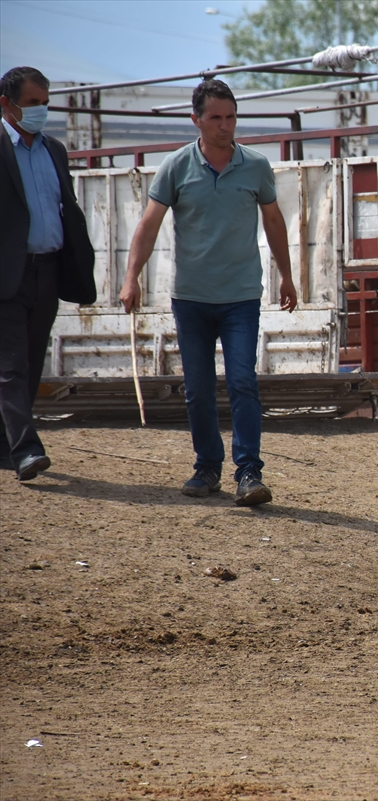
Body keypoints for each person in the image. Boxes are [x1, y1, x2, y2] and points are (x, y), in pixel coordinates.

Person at [121, 79, 297, 507]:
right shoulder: (176, 167)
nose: (225, 125)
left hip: (240, 297)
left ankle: (249, 472)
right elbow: (149, 225)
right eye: (215, 117)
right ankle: (207, 467)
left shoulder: (255, 166)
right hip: (192, 299)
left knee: (242, 381)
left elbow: (274, 222)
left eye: (231, 117)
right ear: (196, 119)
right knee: (197, 388)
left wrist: (287, 275)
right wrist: (131, 278)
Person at [1, 66, 96, 482]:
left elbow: (65, 207)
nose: (41, 110)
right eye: (33, 103)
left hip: (48, 271)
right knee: (11, 366)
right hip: (8, 274)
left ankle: (7, 448)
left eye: (45, 102)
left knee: (32, 361)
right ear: (7, 104)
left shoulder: (54, 150)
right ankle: (27, 449)